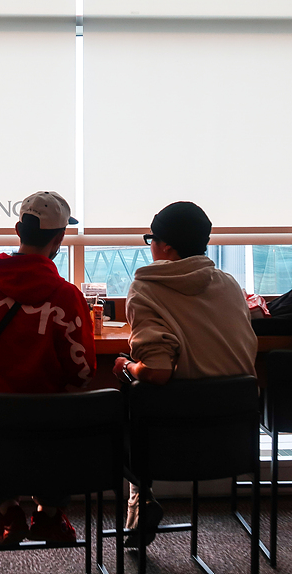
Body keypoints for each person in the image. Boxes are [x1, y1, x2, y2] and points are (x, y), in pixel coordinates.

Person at [0, 190, 96, 546]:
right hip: (45, 428)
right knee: (63, 436)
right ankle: (49, 515)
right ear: (60, 239)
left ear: (18, 229)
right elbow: (83, 372)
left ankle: (6, 511)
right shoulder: (66, 296)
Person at [112, 201, 257, 546]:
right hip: (233, 440)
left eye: (151, 240)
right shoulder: (229, 284)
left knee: (125, 391)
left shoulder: (147, 288)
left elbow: (159, 372)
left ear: (166, 247)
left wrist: (127, 366)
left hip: (172, 444)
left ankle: (141, 498)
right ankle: (139, 503)